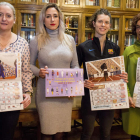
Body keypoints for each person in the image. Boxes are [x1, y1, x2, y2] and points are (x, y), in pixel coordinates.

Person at [77, 8, 128, 140]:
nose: (103, 25)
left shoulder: (115, 48)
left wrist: (122, 76)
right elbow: (74, 72)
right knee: (87, 133)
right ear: (94, 23)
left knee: (106, 134)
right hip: (89, 96)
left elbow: (117, 71)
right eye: (100, 21)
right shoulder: (82, 47)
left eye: (106, 22)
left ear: (110, 25)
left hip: (109, 97)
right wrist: (82, 81)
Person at [30, 3, 79, 140]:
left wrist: (73, 88)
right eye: (48, 16)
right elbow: (28, 65)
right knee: (47, 131)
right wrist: (38, 72)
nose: (52, 20)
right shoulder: (36, 40)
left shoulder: (69, 40)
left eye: (55, 16)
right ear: (43, 20)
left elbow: (75, 66)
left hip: (65, 94)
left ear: (60, 19)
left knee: (60, 132)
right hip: (46, 94)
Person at [0, 2, 33, 140]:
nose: (4, 18)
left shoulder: (22, 43)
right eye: (0, 14)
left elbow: (26, 71)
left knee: (7, 135)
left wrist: (27, 92)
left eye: (8, 15)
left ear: (14, 19)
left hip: (11, 100)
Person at [122, 13, 140, 140]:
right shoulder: (128, 51)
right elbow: (122, 77)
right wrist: (127, 94)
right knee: (136, 134)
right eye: (138, 27)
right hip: (135, 101)